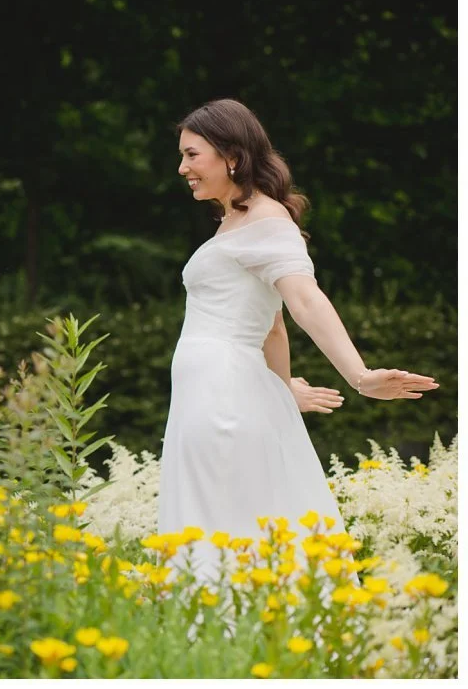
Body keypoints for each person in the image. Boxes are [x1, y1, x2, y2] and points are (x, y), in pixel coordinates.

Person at [158, 98, 438, 581]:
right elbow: (272, 324)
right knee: (220, 519)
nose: (182, 167)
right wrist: (281, 387)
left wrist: (359, 374)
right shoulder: (234, 220)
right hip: (213, 389)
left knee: (224, 523)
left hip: (219, 394)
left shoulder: (267, 222)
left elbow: (304, 301)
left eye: (191, 154)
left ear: (231, 155)